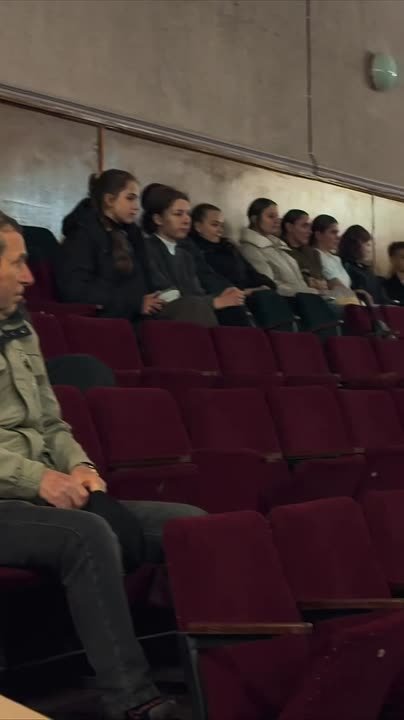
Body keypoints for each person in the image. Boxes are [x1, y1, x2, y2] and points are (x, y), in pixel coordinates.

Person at [0, 210, 205, 719]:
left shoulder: (20, 328)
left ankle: (219, 678)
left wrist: (82, 467)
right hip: (9, 500)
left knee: (190, 526)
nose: (30, 276)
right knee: (86, 534)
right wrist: (38, 479)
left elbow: (51, 423)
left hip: (48, 492)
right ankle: (131, 699)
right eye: (18, 263)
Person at [57, 170, 163, 323]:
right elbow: (76, 291)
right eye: (130, 198)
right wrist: (135, 304)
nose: (136, 207)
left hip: (136, 317)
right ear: (109, 200)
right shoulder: (81, 235)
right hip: (103, 322)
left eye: (137, 200)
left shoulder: (132, 234)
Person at [142, 186, 251, 327]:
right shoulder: (147, 248)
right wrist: (214, 302)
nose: (186, 220)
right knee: (196, 307)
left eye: (187, 214)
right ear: (158, 219)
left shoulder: (185, 254)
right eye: (178, 214)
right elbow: (165, 294)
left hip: (194, 307)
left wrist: (225, 294)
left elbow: (197, 291)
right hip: (165, 313)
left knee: (232, 306)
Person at [190, 203, 295, 329]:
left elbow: (250, 271)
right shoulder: (194, 250)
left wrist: (265, 284)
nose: (220, 230)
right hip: (226, 296)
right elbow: (208, 278)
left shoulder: (229, 247)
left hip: (246, 293)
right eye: (214, 225)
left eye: (222, 226)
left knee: (270, 296)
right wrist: (242, 291)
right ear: (198, 226)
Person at [239, 198, 318, 297]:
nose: (277, 221)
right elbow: (269, 285)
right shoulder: (250, 249)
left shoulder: (278, 245)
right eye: (271, 216)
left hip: (303, 297)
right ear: (254, 219)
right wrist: (310, 292)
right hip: (288, 300)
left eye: (277, 216)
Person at [339, 225, 390, 305]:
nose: (369, 250)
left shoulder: (364, 268)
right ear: (355, 245)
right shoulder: (347, 267)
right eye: (367, 245)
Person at [281, 209, 328, 293]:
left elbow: (322, 279)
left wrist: (321, 283)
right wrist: (309, 281)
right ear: (289, 227)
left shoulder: (314, 253)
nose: (309, 231)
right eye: (304, 226)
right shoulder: (279, 250)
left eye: (310, 227)